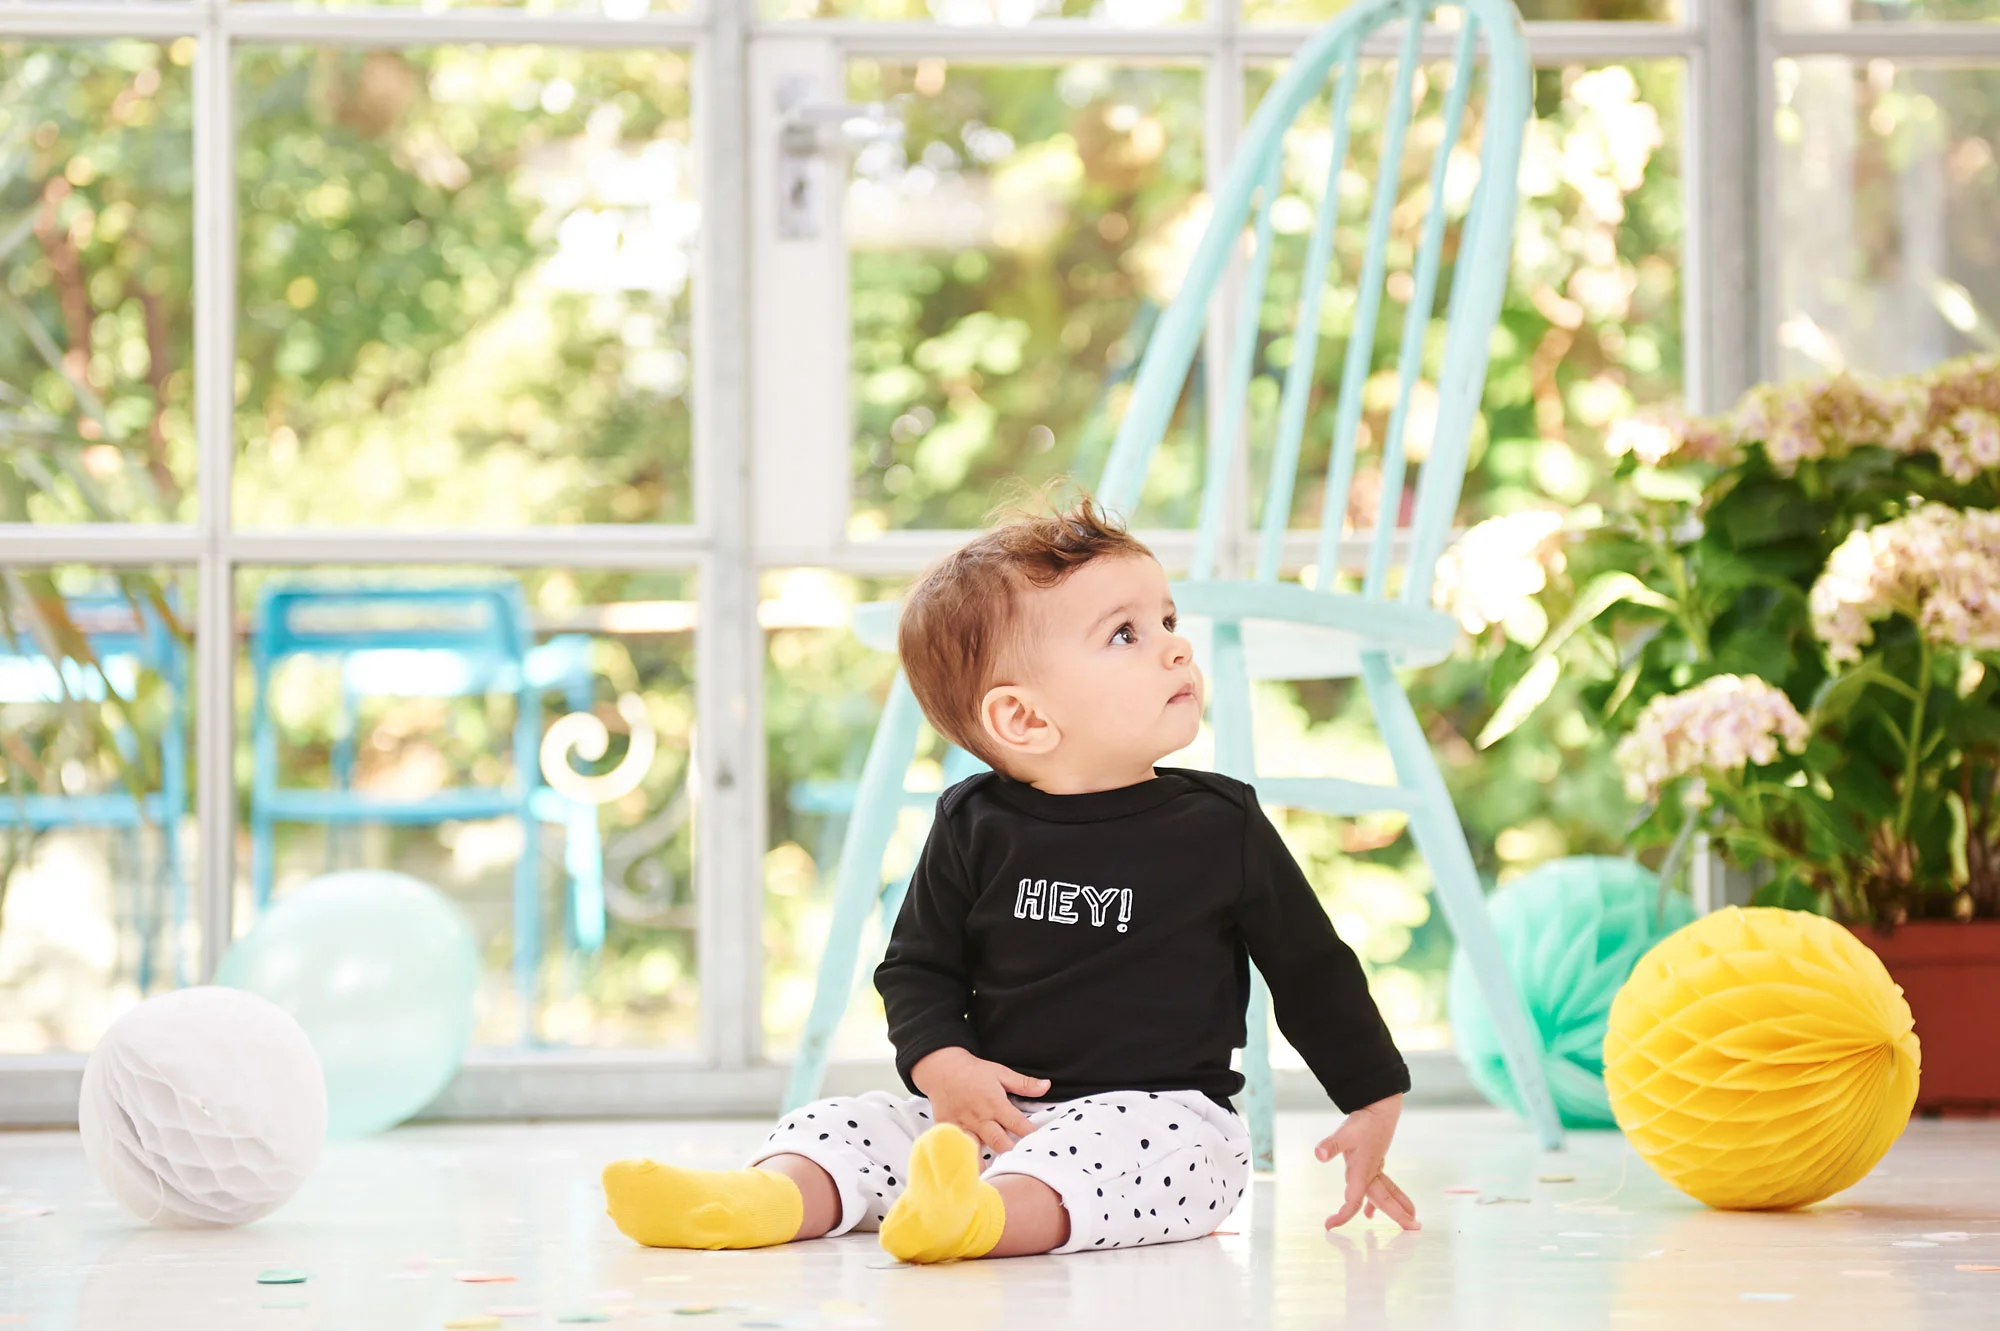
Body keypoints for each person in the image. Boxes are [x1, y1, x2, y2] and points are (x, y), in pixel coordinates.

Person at [602, 496, 1418, 1263]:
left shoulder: (1219, 824)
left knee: (1117, 1157)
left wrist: (1371, 1097)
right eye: (1126, 634)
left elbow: (1312, 970)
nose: (1177, 645)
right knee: (850, 1121)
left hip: (1164, 1118)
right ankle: (758, 1201)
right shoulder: (972, 823)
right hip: (998, 1119)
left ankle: (976, 1220)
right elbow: (917, 969)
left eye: (1167, 619)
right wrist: (944, 1066)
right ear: (1023, 717)